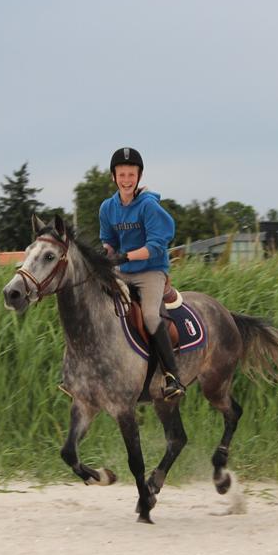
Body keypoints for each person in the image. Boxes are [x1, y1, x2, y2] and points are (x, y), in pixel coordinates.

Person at [99, 146, 186, 400]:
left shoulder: (148, 206)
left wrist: (125, 256)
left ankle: (173, 376)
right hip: (122, 271)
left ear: (139, 176)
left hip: (151, 271)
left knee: (149, 315)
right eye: (122, 174)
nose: (127, 180)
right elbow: (109, 242)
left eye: (131, 175)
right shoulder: (107, 208)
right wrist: (105, 254)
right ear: (114, 177)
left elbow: (157, 245)